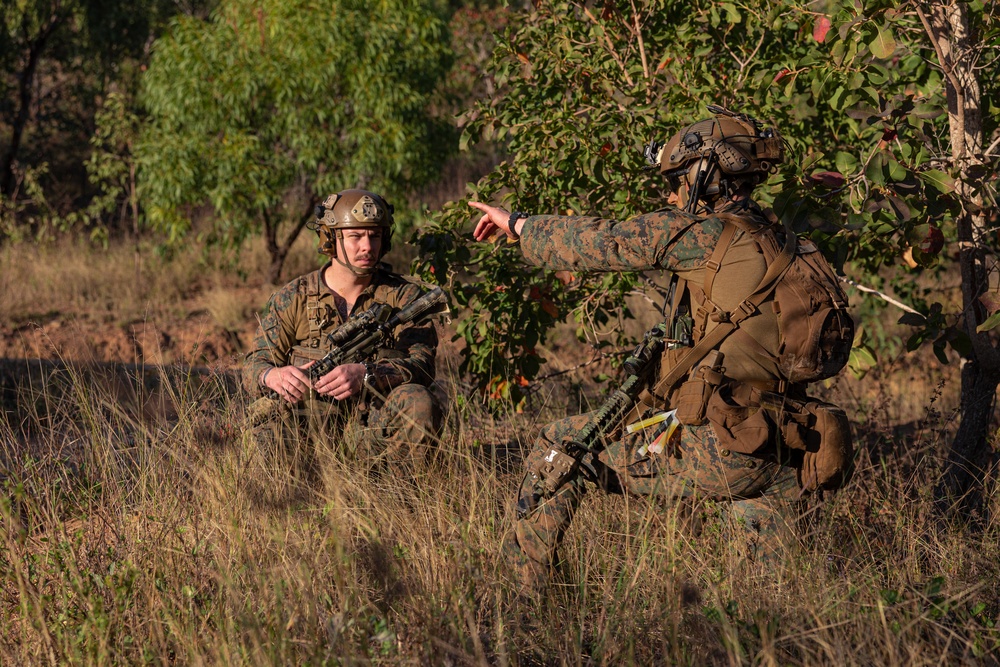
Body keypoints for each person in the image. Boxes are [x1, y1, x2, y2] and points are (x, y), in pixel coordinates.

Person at [470, 106, 854, 584]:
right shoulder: (784, 239)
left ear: (704, 176)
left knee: (558, 445)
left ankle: (520, 602)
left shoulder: (701, 232)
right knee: (764, 585)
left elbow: (601, 242)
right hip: (784, 444)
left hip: (723, 448)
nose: (671, 193)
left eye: (676, 180)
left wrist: (519, 225)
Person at [245, 189, 442, 489]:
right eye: (355, 236)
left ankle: (403, 503)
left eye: (374, 236)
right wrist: (273, 375)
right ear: (330, 239)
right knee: (268, 420)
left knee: (418, 401)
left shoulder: (404, 298)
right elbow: (254, 364)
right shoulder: (294, 297)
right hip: (310, 432)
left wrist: (369, 374)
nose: (367, 247)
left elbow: (423, 365)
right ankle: (288, 509)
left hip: (373, 433)